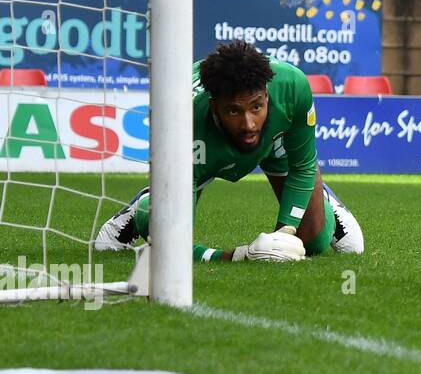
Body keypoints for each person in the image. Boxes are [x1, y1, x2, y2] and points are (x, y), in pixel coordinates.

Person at [95, 41, 363, 262]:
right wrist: (239, 256)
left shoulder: (293, 87)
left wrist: (284, 234)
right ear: (214, 107)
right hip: (204, 155)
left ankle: (326, 202)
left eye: (256, 107)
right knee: (168, 244)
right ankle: (143, 207)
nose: (248, 123)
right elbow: (176, 247)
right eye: (234, 110)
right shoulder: (180, 125)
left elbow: (303, 166)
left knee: (313, 243)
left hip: (272, 143)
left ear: (267, 97)